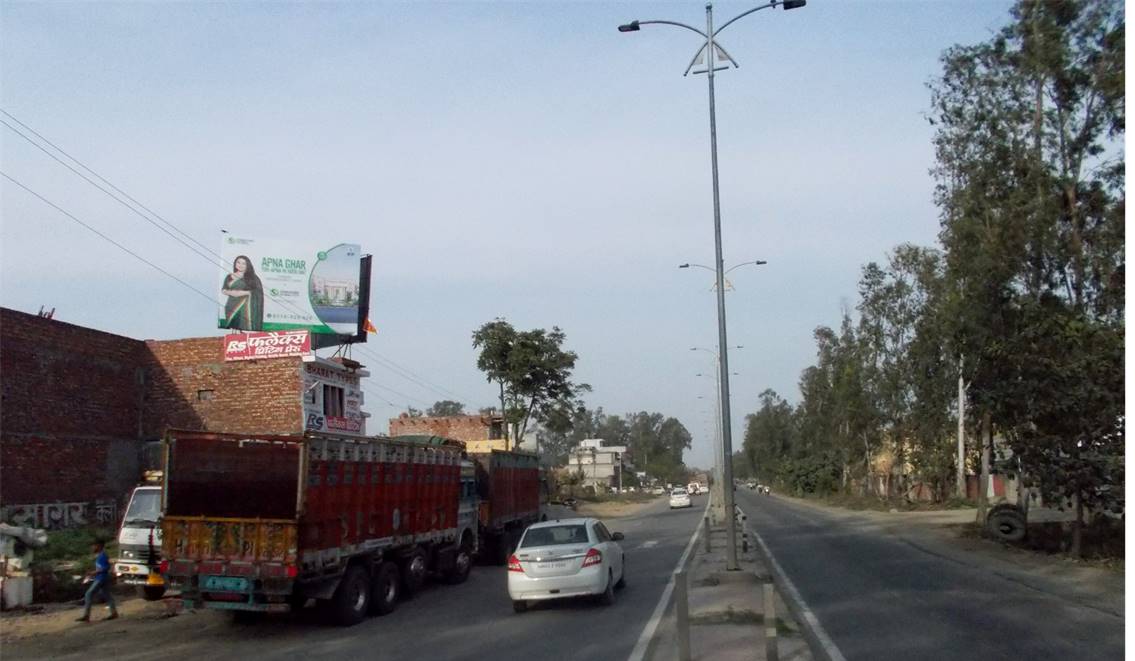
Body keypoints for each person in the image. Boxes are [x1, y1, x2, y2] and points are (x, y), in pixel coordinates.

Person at [76, 541, 118, 622]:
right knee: (108, 596)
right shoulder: (101, 555)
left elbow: (106, 568)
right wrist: (93, 573)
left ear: (98, 546)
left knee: (88, 594)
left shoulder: (102, 556)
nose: (92, 548)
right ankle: (114, 613)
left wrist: (93, 573)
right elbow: (104, 567)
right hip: (102, 577)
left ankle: (86, 616)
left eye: (93, 546)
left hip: (101, 578)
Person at [221, 255, 264, 330]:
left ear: (248, 265)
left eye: (243, 263)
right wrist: (232, 293)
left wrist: (242, 293)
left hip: (246, 307)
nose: (240, 265)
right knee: (233, 328)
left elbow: (257, 292)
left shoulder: (253, 278)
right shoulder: (229, 276)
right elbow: (224, 290)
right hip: (231, 306)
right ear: (235, 264)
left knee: (243, 328)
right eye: (238, 262)